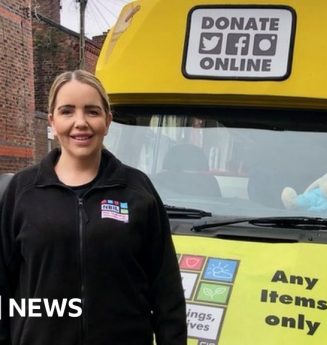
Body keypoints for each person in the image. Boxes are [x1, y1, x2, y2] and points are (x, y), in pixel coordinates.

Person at [0, 70, 187, 345]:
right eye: (67, 111)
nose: (80, 123)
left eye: (92, 111)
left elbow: (167, 293)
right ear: (52, 121)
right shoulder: (22, 191)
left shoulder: (137, 191)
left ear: (108, 121)